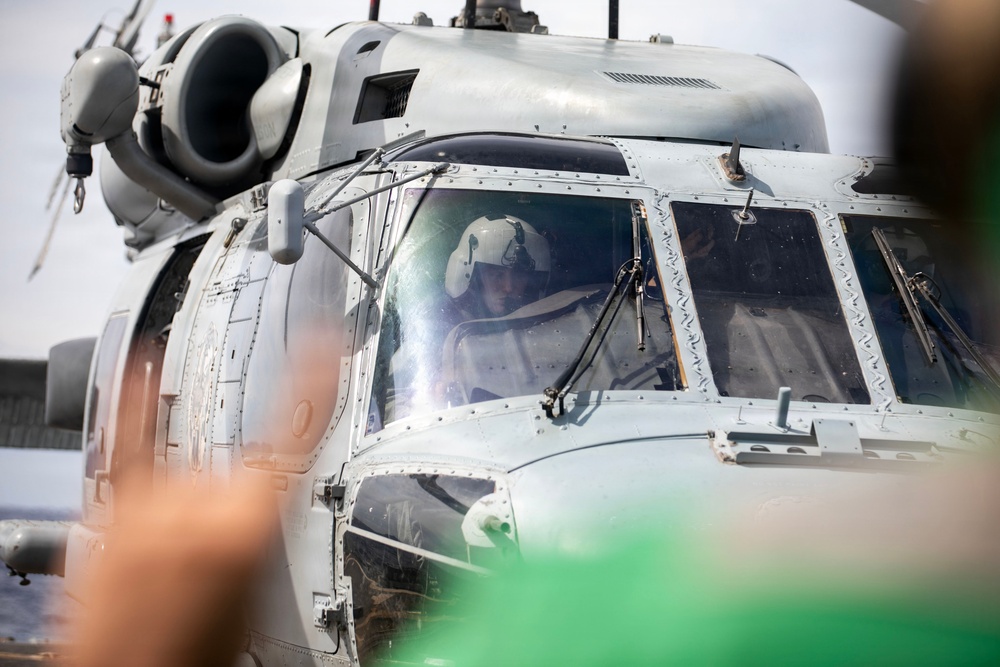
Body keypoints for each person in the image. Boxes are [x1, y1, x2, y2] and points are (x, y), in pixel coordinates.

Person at [443, 214, 551, 320]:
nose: (508, 288)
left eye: (518, 276)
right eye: (497, 275)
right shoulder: (442, 323)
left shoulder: (547, 322)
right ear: (474, 280)